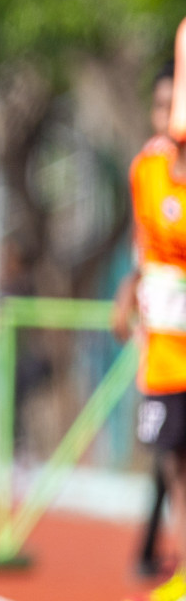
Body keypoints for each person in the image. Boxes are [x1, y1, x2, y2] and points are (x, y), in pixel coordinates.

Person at [116, 58, 183, 594]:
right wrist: (127, 292)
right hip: (163, 349)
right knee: (170, 459)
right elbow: (144, 246)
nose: (169, 117)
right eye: (161, 107)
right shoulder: (146, 169)